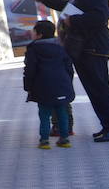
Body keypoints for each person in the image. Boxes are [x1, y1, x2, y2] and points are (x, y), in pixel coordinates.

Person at [34, 0, 109, 141]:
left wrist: (73, 22)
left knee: (100, 89)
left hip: (93, 48)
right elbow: (65, 4)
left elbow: (101, 16)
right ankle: (107, 126)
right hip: (84, 49)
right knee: (94, 90)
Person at [24, 19, 74, 149]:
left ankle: (44, 141)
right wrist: (68, 82)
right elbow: (69, 66)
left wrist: (28, 87)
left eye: (33, 31)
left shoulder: (33, 49)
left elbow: (30, 70)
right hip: (61, 85)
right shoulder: (61, 46)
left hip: (43, 88)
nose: (32, 33)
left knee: (44, 114)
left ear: (39, 35)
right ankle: (64, 139)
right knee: (62, 112)